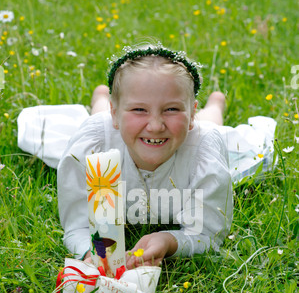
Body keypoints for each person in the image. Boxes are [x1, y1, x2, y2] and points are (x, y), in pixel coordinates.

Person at [57, 44, 233, 270]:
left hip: (196, 132)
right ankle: (101, 98)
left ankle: (216, 103)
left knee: (210, 124)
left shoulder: (203, 152)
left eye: (172, 109)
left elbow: (209, 233)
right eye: (139, 110)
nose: (156, 126)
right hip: (108, 125)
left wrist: (170, 241)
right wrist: (92, 253)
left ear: (190, 115)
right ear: (116, 112)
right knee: (100, 119)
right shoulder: (93, 145)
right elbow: (77, 226)